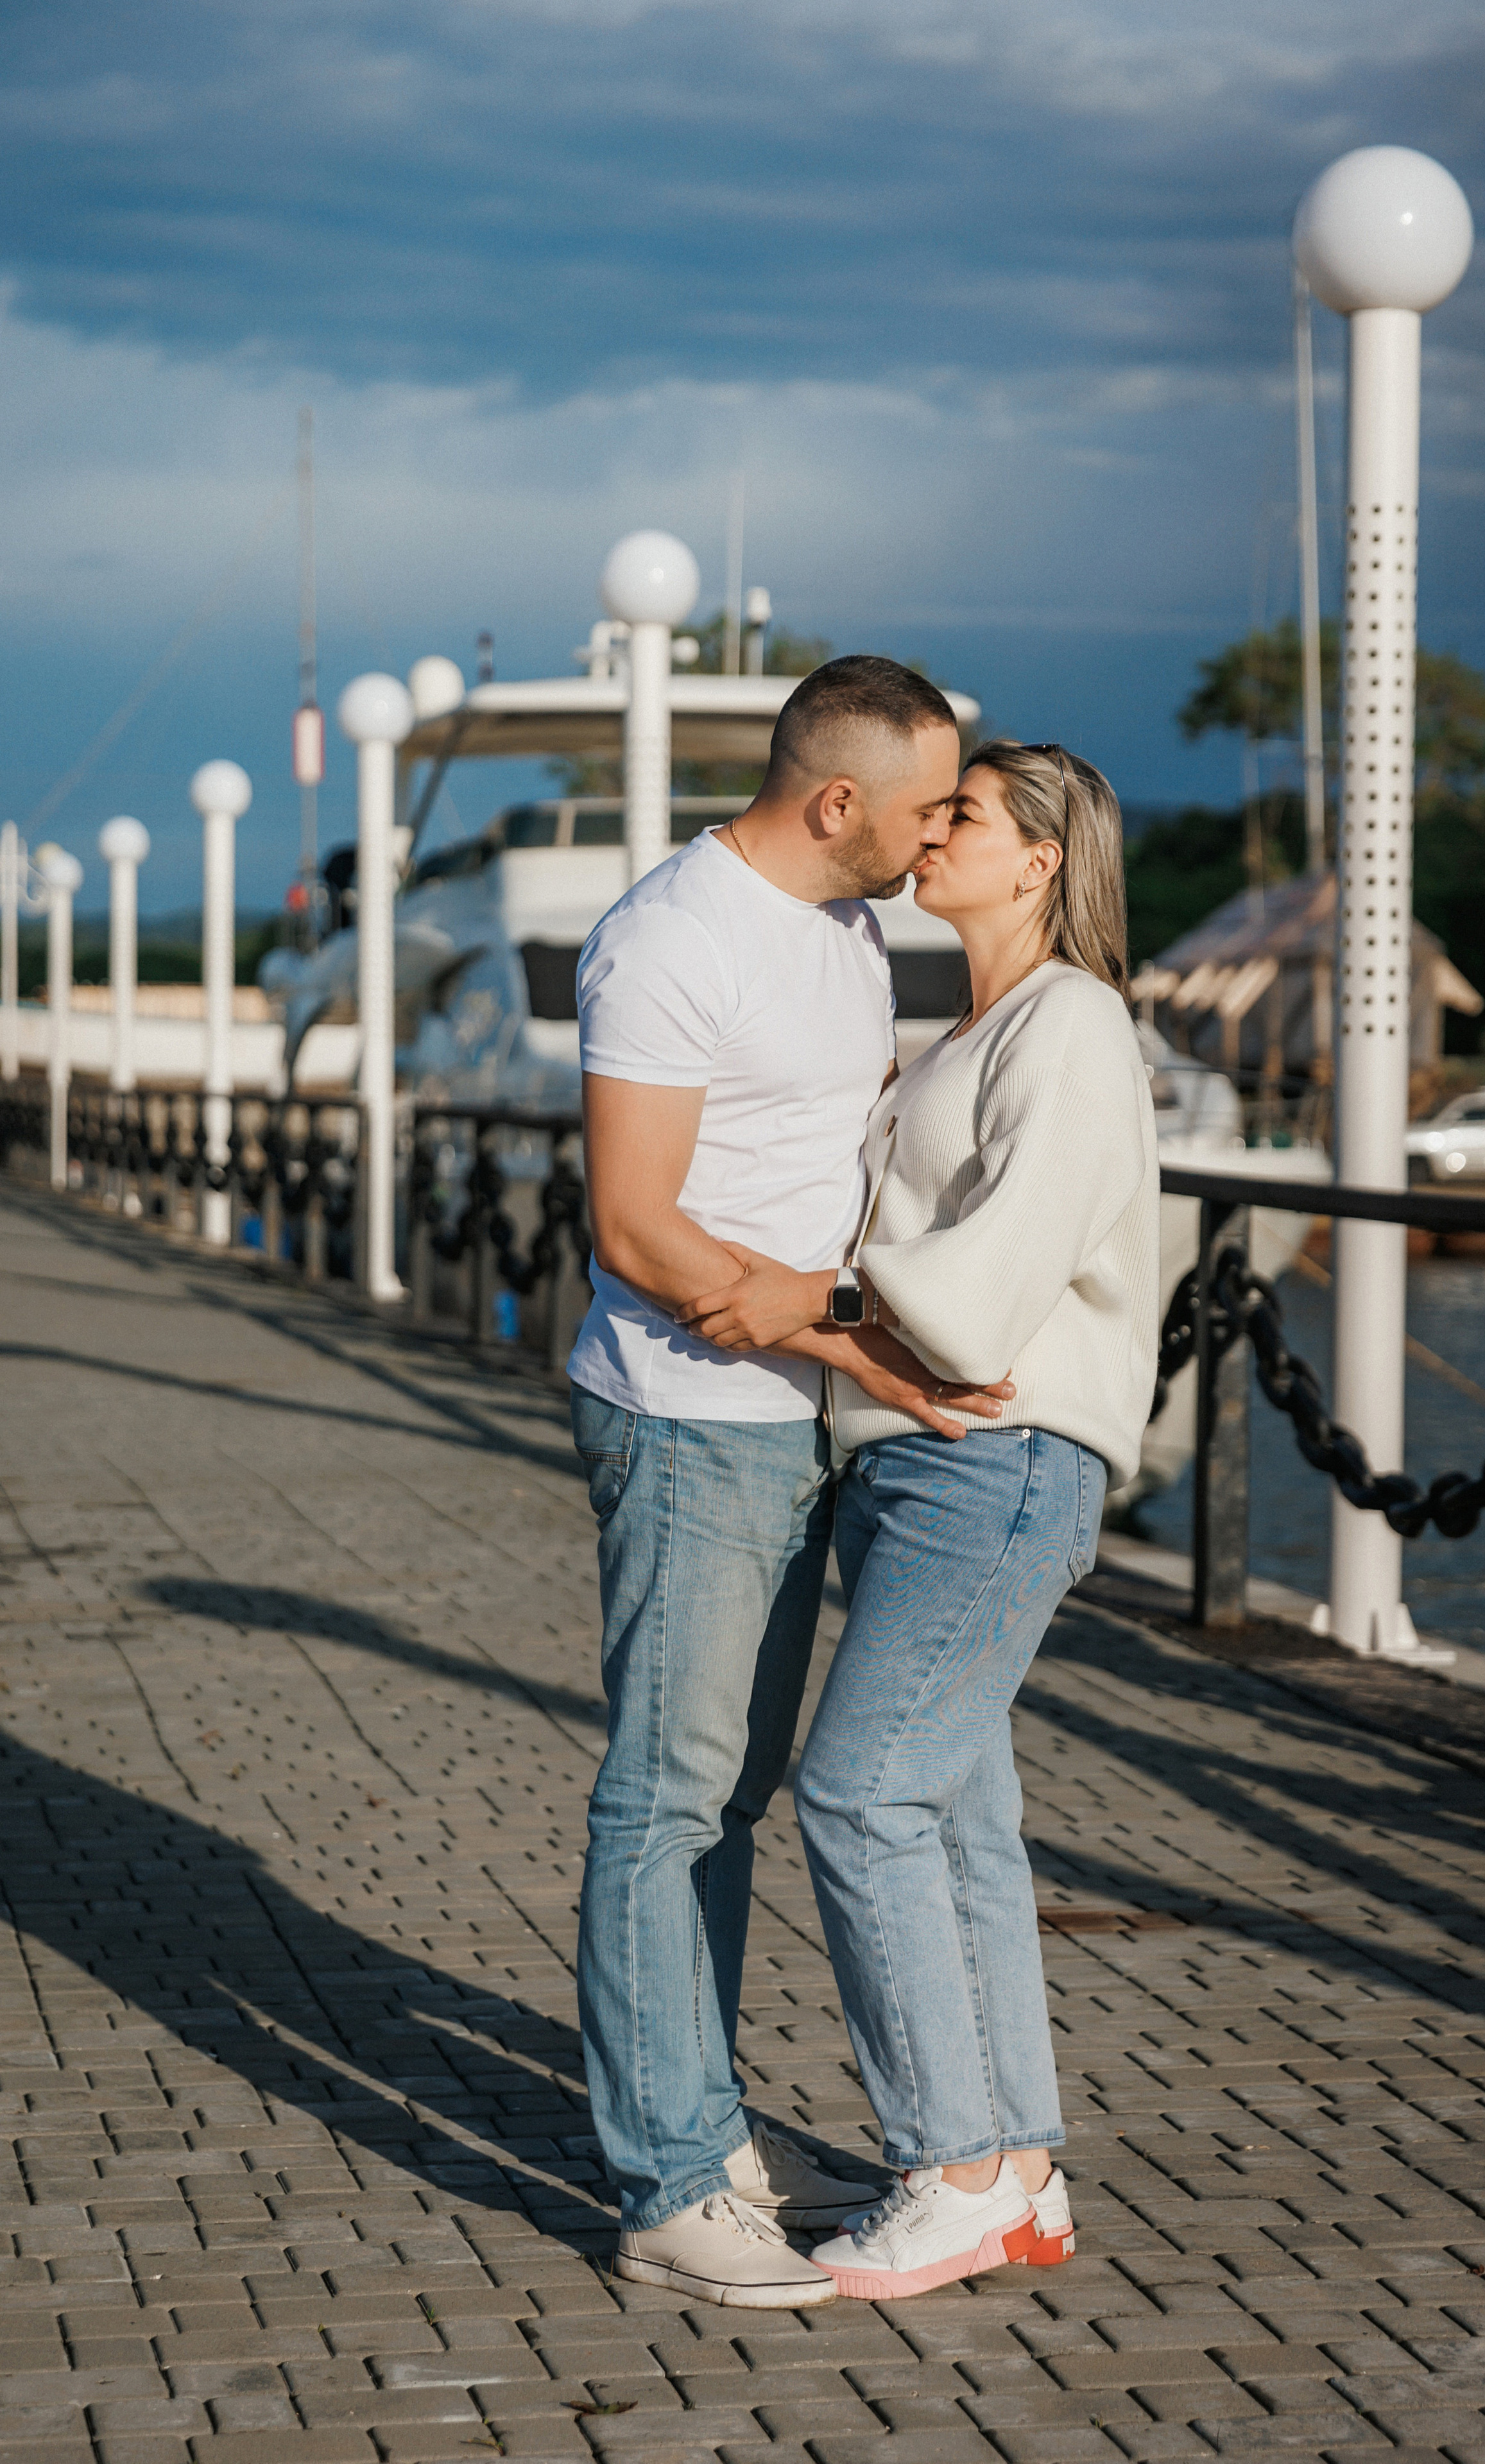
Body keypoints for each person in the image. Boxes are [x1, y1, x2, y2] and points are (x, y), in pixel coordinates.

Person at [678, 738, 1158, 2298]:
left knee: (859, 1792)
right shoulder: (969, 1029)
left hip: (993, 1457)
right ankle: (1013, 2172)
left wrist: (805, 1299)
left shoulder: (1072, 1023)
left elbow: (985, 1288)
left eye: (965, 813)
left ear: (1038, 861)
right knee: (955, 1815)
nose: (929, 828)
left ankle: (945, 2163)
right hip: (914, 1460)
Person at [570, 656, 1015, 2308]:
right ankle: (669, 2186)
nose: (935, 836)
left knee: (734, 1793)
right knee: (672, 1795)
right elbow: (632, 1225)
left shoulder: (845, 923)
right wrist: (852, 1336)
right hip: (691, 1417)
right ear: (835, 802)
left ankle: (710, 2128)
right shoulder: (673, 937)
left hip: (803, 1414)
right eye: (919, 811)